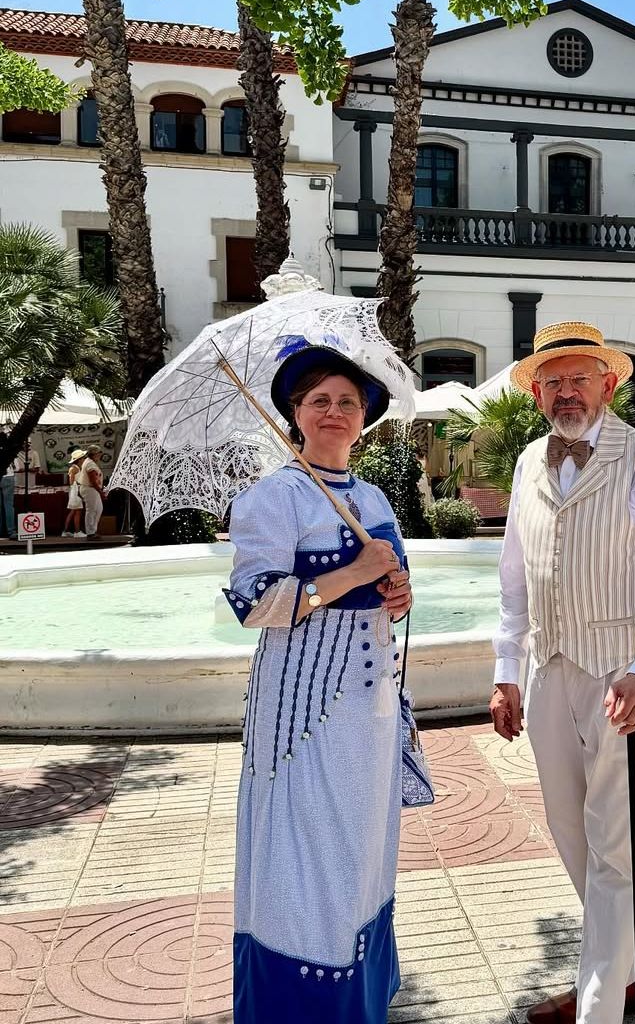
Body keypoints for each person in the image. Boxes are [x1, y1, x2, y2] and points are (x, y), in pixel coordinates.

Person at [489, 321, 635, 1024]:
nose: (566, 392)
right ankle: (619, 971)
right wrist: (506, 669)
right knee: (570, 830)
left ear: (608, 384)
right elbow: (515, 579)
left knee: (616, 842)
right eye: (552, 382)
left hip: (624, 679)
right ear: (537, 394)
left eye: (579, 378)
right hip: (549, 670)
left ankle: (600, 1008)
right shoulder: (529, 462)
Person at [225, 341, 412, 1023]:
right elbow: (257, 605)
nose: (334, 412)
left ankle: (358, 1000)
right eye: (319, 401)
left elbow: (389, 595)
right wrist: (354, 574)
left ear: (363, 417)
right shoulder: (276, 496)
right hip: (305, 709)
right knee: (306, 845)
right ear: (296, 414)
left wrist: (397, 595)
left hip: (372, 707)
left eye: (347, 402)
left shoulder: (373, 496)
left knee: (362, 848)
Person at [2, 441, 40, 539]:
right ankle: (11, 531)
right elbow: (17, 467)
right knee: (8, 505)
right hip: (8, 476)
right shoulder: (10, 451)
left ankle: (1, 530)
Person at [76, 445, 106, 539]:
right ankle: (90, 532)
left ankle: (93, 530)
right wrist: (101, 492)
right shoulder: (90, 464)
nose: (100, 455)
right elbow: (93, 481)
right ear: (94, 454)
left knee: (98, 509)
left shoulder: (89, 462)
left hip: (91, 489)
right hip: (89, 489)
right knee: (91, 510)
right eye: (99, 453)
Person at [63, 450, 87, 537]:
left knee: (73, 511)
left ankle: (65, 531)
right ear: (79, 459)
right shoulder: (74, 468)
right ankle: (77, 532)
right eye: (83, 458)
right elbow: (71, 482)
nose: (84, 459)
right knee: (77, 511)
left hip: (76, 490)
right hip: (75, 491)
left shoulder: (77, 468)